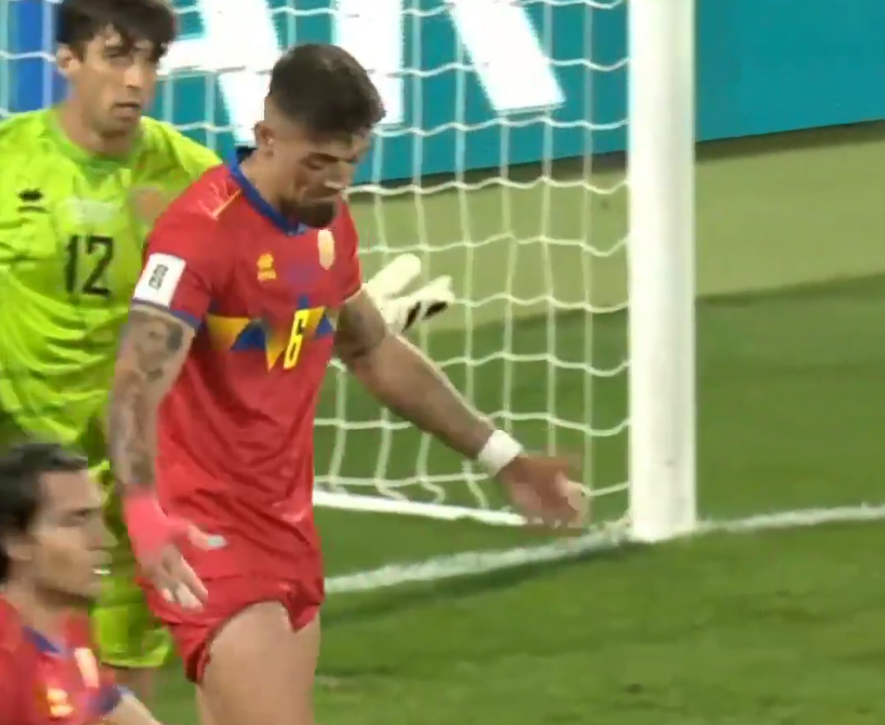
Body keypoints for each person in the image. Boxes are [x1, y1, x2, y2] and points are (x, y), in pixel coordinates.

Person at [0, 0, 450, 702]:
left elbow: (262, 297)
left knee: (108, 697)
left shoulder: (191, 177)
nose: (136, 79)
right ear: (67, 60)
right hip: (14, 488)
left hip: (137, 487)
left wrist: (329, 322)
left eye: (150, 61)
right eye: (116, 56)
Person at [106, 43, 588, 725]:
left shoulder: (327, 225)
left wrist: (504, 457)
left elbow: (372, 349)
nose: (335, 181)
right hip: (208, 537)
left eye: (350, 161)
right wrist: (143, 513)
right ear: (267, 137)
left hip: (288, 530)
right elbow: (134, 383)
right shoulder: (200, 234)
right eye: (318, 162)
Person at [0, 441, 164, 725]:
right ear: (15, 541)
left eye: (97, 517)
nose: (105, 539)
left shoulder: (66, 630)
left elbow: (104, 697)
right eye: (77, 520)